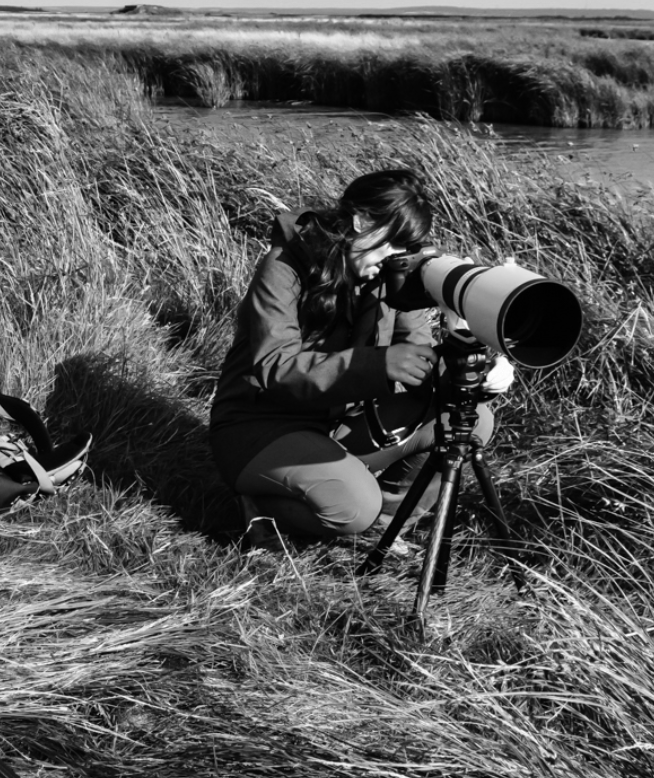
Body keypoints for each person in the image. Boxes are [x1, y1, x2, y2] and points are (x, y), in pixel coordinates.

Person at [208, 167, 495, 543]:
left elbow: (422, 358)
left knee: (471, 420)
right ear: (360, 221)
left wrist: (474, 372)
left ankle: (385, 528)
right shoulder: (284, 266)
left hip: (341, 421)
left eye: (406, 248)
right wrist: (380, 364)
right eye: (392, 242)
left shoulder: (390, 278)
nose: (396, 257)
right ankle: (263, 510)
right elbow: (275, 366)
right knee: (352, 506)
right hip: (260, 424)